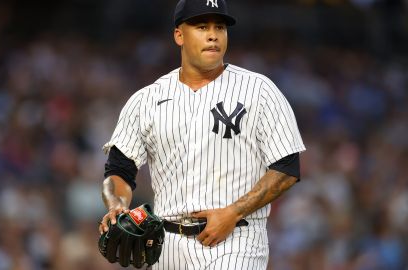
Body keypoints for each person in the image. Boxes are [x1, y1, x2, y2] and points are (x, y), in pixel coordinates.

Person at [98, 0, 306, 269]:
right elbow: (119, 170)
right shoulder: (147, 99)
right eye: (201, 26)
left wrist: (234, 211)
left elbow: (287, 168)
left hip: (237, 239)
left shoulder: (259, 90)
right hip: (166, 245)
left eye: (219, 27)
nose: (212, 34)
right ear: (179, 35)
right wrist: (117, 204)